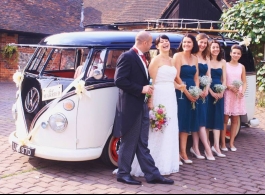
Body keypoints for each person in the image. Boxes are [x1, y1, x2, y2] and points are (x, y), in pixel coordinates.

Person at [113, 31, 174, 185]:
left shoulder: (143, 57)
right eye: (151, 42)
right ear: (145, 42)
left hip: (141, 104)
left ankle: (152, 174)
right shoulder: (127, 56)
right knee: (129, 140)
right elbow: (119, 80)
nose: (152, 44)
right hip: (131, 106)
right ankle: (123, 173)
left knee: (142, 142)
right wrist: (141, 89)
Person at [127, 34, 183, 177]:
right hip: (159, 96)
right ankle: (152, 164)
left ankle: (167, 162)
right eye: (161, 42)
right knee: (158, 128)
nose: (165, 43)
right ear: (156, 46)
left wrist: (180, 86)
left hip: (171, 96)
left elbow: (171, 80)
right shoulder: (155, 61)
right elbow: (151, 82)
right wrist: (150, 101)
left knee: (170, 128)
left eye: (167, 41)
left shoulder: (171, 60)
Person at [173, 34, 199, 164]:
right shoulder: (177, 56)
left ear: (193, 44)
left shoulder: (195, 58)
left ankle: (184, 152)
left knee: (187, 123)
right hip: (181, 92)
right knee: (179, 121)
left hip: (192, 92)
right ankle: (175, 152)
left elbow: (196, 77)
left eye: (189, 42)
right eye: (184, 42)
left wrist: (197, 91)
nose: (186, 44)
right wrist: (187, 92)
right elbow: (176, 76)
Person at [191, 33, 215, 161]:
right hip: (194, 91)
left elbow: (208, 75)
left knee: (201, 120)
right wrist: (198, 89)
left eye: (205, 43)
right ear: (196, 42)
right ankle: (206, 148)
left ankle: (195, 147)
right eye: (201, 42)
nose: (202, 45)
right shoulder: (193, 56)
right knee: (197, 120)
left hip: (204, 93)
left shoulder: (206, 57)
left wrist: (206, 88)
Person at [221, 44, 247, 152]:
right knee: (225, 119)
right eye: (234, 53)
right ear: (230, 53)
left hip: (237, 95)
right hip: (228, 93)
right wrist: (229, 86)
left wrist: (242, 91)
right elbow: (222, 79)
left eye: (238, 53)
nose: (236, 55)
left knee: (235, 119)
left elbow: (244, 81)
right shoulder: (225, 65)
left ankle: (231, 143)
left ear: (240, 55)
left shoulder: (242, 67)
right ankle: (222, 143)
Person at [206, 40, 226, 158]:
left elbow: (224, 79)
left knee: (218, 118)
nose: (215, 49)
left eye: (217, 47)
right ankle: (207, 144)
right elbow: (206, 78)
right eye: (213, 47)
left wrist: (222, 90)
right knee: (208, 116)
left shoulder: (223, 62)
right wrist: (211, 92)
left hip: (220, 92)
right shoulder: (207, 60)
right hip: (209, 91)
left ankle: (216, 146)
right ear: (210, 48)